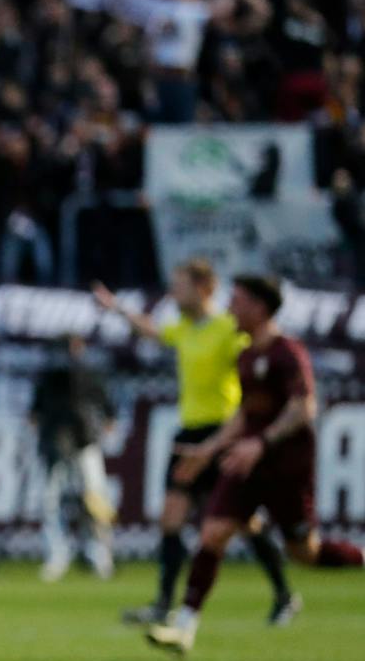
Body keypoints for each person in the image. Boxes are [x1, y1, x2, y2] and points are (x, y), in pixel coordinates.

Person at [148, 276, 363, 656]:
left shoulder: (287, 353)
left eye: (238, 300)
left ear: (259, 308)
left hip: (286, 467)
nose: (230, 306)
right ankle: (183, 628)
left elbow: (304, 407)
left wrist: (262, 443)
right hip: (245, 464)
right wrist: (209, 449)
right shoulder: (246, 356)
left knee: (305, 553)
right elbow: (244, 415)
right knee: (213, 533)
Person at [93, 263, 298, 625]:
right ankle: (163, 603)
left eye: (181, 286)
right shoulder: (185, 328)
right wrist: (118, 309)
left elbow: (258, 363)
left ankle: (283, 593)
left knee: (242, 522)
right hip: (189, 435)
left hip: (222, 433)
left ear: (204, 288)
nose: (174, 293)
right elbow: (153, 332)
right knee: (170, 518)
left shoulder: (228, 328)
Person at [29, 335, 116, 582]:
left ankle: (99, 553)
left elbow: (107, 411)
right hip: (54, 443)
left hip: (84, 441)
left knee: (94, 497)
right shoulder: (48, 376)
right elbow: (35, 412)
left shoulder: (88, 374)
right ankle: (57, 553)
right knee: (49, 499)